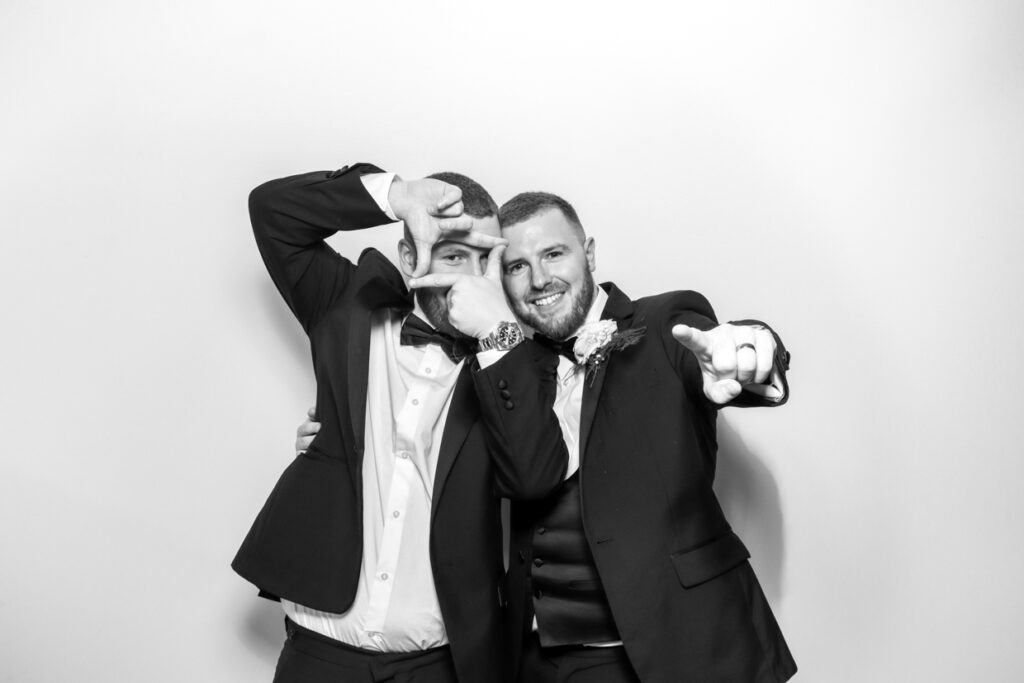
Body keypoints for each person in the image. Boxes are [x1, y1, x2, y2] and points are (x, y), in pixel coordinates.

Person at [403, 191, 797, 682]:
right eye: (517, 266)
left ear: (588, 254)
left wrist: (750, 350)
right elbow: (511, 472)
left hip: (682, 647)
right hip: (544, 662)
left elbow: (723, 346)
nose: (540, 279)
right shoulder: (510, 366)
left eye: (553, 253)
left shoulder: (663, 325)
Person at [232, 163, 557, 682]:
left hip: (438, 664)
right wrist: (397, 195)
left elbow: (533, 475)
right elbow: (272, 212)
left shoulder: (521, 366)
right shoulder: (346, 307)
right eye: (454, 255)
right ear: (410, 256)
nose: (470, 279)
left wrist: (498, 336)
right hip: (321, 653)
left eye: (485, 261)